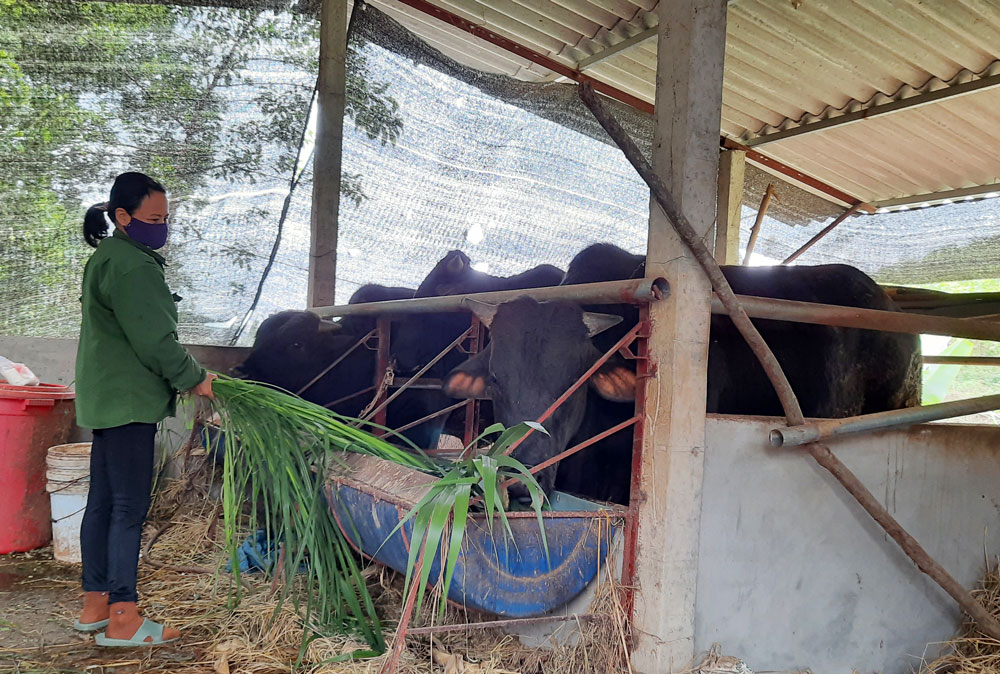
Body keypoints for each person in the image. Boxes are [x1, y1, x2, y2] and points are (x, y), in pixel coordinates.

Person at [74, 172, 216, 647]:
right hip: (129, 402)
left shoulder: (107, 258)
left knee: (104, 502)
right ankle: (123, 618)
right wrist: (196, 378)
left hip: (107, 396)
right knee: (129, 508)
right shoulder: (134, 266)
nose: (162, 227)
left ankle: (95, 604)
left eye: (166, 218)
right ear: (122, 217)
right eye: (154, 218)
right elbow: (155, 341)